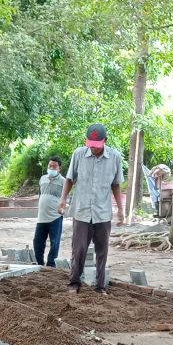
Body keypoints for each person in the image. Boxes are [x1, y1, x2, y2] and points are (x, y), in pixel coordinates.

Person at [58, 123, 125, 295]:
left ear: (105, 141)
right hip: (82, 211)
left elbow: (116, 185)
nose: (94, 149)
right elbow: (70, 179)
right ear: (85, 141)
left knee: (102, 251)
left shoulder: (115, 157)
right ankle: (74, 282)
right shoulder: (78, 154)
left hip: (103, 213)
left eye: (97, 146)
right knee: (78, 248)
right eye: (91, 146)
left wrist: (121, 210)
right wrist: (63, 199)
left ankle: (100, 286)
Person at [32, 156, 64, 267]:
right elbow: (41, 194)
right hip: (41, 217)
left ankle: (51, 265)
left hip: (55, 216)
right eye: (50, 165)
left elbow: (65, 198)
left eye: (54, 166)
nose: (52, 168)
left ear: (59, 168)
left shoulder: (63, 181)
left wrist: (62, 208)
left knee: (54, 242)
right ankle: (39, 263)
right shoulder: (42, 179)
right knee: (37, 241)